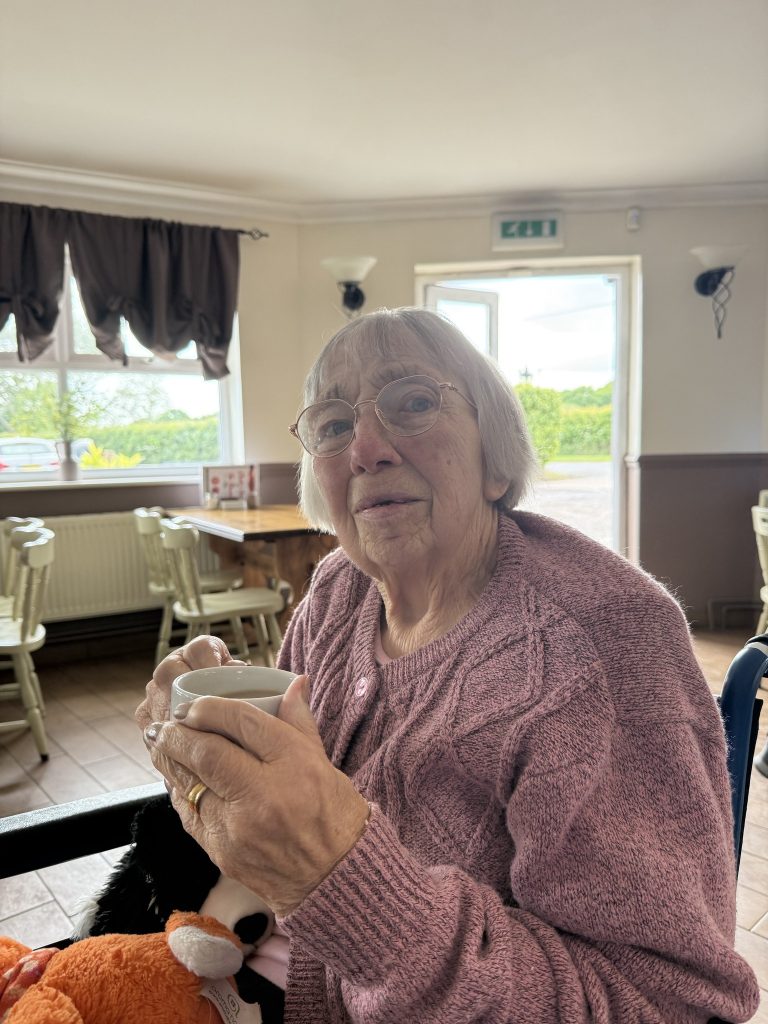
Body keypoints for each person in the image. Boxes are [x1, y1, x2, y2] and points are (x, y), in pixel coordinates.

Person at [137, 308, 759, 1023]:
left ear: (495, 454)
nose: (366, 448)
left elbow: (672, 1004)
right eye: (334, 425)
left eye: (414, 403)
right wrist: (196, 748)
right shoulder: (339, 588)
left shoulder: (604, 644)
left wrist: (350, 890)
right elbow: (286, 805)